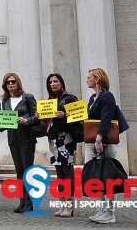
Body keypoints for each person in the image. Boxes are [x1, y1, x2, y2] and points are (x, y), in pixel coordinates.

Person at [0, 72, 39, 213]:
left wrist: (27, 120)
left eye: (13, 81)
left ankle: (29, 202)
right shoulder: (5, 101)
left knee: (28, 170)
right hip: (13, 139)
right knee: (19, 171)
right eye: (7, 82)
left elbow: (37, 116)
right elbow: (6, 120)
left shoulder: (28, 98)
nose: (10, 84)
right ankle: (22, 201)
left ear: (18, 83)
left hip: (26, 139)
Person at [85, 67, 120, 224]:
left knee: (108, 176)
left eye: (89, 77)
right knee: (97, 176)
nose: (87, 80)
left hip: (103, 142)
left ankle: (110, 212)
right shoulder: (93, 98)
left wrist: (99, 139)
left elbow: (106, 119)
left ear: (97, 79)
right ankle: (103, 208)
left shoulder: (107, 96)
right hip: (93, 141)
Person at [45, 73, 81, 217]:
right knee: (59, 172)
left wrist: (65, 115)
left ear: (62, 82)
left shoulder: (70, 98)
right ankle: (62, 204)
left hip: (66, 138)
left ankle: (69, 205)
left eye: (55, 81)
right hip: (53, 140)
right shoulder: (50, 100)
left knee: (67, 171)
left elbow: (81, 115)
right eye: (50, 82)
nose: (53, 84)